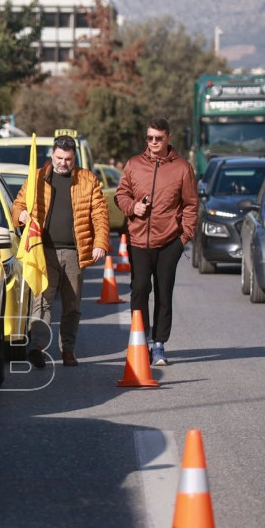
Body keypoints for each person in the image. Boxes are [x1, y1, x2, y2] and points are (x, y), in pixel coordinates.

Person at [12, 134, 111, 368]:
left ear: (74, 157)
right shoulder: (36, 179)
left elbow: (99, 214)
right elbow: (17, 205)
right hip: (43, 251)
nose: (62, 163)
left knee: (72, 306)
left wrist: (100, 243)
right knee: (42, 302)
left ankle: (68, 349)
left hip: (75, 253)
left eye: (67, 159)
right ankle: (36, 347)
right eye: (59, 158)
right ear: (52, 155)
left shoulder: (88, 180)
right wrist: (21, 215)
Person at [114, 118, 197, 366]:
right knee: (139, 288)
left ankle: (159, 345)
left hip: (169, 241)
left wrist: (184, 238)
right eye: (149, 138)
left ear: (168, 138)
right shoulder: (134, 165)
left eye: (158, 138)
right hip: (138, 239)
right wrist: (132, 207)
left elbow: (191, 205)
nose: (153, 143)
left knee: (164, 293)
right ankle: (140, 339)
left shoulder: (182, 168)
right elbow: (121, 194)